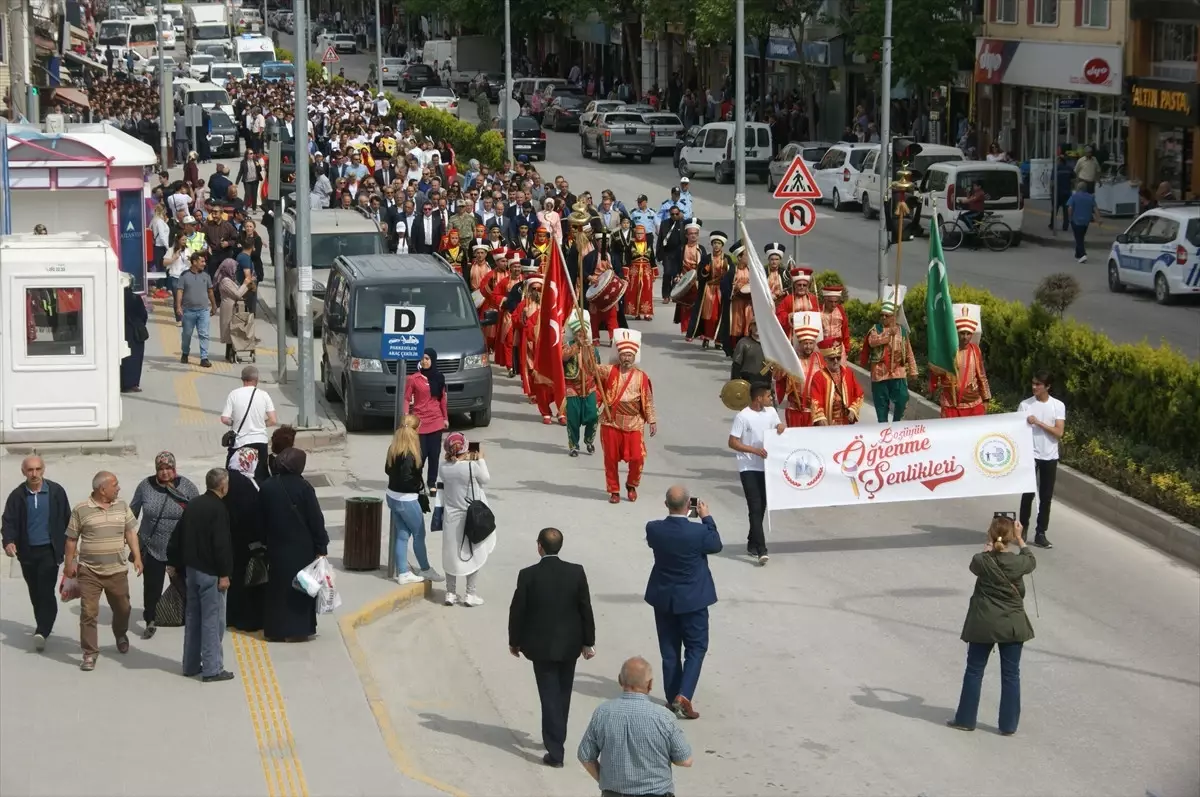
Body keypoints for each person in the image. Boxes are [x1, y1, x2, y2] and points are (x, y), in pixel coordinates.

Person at [507, 527, 597, 768]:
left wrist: (514, 641)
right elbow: (585, 608)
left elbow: (518, 611)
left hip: (540, 647)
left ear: (539, 546)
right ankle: (557, 737)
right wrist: (588, 642)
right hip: (570, 646)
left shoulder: (528, 575)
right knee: (562, 694)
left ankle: (555, 751)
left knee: (549, 695)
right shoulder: (576, 572)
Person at [948, 515, 1036, 735]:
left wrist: (988, 549)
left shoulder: (981, 560)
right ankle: (1008, 725)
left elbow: (974, 565)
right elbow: (1031, 560)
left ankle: (966, 719)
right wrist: (1021, 539)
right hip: (1012, 625)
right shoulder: (1019, 562)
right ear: (1011, 537)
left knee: (974, 671)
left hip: (983, 624)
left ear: (990, 534)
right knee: (1011, 674)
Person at [644, 485, 721, 720]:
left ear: (666, 504)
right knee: (696, 648)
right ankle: (684, 696)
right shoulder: (698, 533)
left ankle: (672, 697)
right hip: (693, 600)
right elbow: (716, 544)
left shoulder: (654, 529)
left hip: (664, 598)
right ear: (690, 506)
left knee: (669, 651)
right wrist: (707, 518)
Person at [577, 657, 694, 794]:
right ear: (650, 685)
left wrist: (604, 781)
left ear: (620, 680)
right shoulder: (664, 717)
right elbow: (686, 760)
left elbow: (585, 756)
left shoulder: (603, 713)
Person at [65, 471, 142, 671]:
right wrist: (68, 564)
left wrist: (138, 557)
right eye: (115, 485)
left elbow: (130, 532)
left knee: (123, 609)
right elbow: (71, 539)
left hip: (117, 570)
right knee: (88, 613)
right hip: (89, 571)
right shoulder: (81, 509)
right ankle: (89, 653)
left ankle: (120, 633)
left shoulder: (122, 506)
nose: (118, 488)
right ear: (102, 489)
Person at [167, 468, 235, 683]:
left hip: (192, 572)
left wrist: (175, 564)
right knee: (212, 622)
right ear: (223, 486)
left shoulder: (194, 504)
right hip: (210, 574)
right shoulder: (218, 508)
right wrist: (225, 574)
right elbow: (221, 545)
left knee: (193, 618)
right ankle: (212, 668)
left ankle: (190, 665)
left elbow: (177, 536)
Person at [1, 456, 71, 651]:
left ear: (43, 470)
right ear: (23, 472)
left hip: (50, 550)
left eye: (38, 469)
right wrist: (8, 542)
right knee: (35, 591)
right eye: (30, 470)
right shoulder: (17, 495)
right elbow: (8, 521)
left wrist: (71, 547)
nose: (34, 474)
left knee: (46, 589)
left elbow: (67, 519)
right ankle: (42, 624)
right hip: (27, 552)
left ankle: (42, 629)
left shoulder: (56, 492)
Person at [260, 449, 329, 641]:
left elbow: (260, 518)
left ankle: (276, 630)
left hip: (276, 546)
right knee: (301, 587)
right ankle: (298, 629)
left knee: (277, 588)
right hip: (301, 548)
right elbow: (316, 519)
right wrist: (321, 546)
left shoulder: (267, 486)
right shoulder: (304, 487)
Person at [129, 452, 199, 639]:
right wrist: (124, 536)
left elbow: (197, 515)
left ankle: (186, 615)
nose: (165, 472)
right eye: (161, 469)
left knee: (184, 583)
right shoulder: (145, 486)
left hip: (180, 546)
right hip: (153, 545)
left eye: (169, 468)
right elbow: (131, 513)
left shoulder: (187, 487)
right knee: (152, 586)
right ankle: (150, 618)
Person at [596, 329, 657, 504]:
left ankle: (631, 485)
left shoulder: (641, 377)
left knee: (638, 457)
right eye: (624, 355)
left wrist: (652, 420)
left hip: (634, 422)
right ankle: (614, 490)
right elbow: (591, 367)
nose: (627, 358)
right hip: (611, 421)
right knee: (610, 458)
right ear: (619, 355)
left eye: (630, 355)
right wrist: (585, 347)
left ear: (634, 356)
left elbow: (648, 400)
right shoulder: (609, 371)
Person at [728, 384, 786, 565]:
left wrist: (781, 427)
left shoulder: (770, 412)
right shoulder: (742, 416)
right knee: (754, 506)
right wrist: (753, 450)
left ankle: (752, 542)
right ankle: (762, 549)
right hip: (748, 467)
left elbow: (778, 425)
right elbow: (732, 442)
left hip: (766, 467)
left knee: (762, 507)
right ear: (758, 398)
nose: (771, 399)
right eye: (768, 396)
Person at [385, 415, 444, 586]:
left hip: (392, 496)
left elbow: (388, 470)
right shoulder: (410, 453)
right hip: (407, 499)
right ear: (415, 431)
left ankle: (403, 572)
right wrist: (418, 487)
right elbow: (407, 478)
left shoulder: (394, 448)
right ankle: (425, 569)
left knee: (402, 535)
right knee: (419, 534)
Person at [439, 433, 494, 606]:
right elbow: (485, 479)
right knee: (473, 552)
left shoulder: (443, 467)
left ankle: (450, 593)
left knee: (451, 555)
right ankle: (470, 594)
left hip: (451, 517)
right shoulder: (471, 467)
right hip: (471, 516)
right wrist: (481, 460)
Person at [1017, 372, 1066, 549]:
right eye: (1033, 384)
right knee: (1028, 495)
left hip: (1050, 456)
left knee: (1046, 497)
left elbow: (1059, 432)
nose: (1034, 387)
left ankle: (1041, 533)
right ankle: (1021, 529)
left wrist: (1038, 423)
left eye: (1038, 384)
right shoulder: (1025, 405)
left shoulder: (1057, 406)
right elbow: (1017, 431)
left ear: (1047, 387)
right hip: (1032, 456)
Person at [225, 446, 267, 632]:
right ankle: (247, 620)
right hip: (248, 544)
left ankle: (231, 617)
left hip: (228, 542)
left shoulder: (227, 481)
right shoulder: (248, 485)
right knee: (249, 581)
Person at [931, 304, 992, 417]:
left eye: (968, 334)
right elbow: (935, 371)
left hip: (973, 404)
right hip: (951, 404)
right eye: (962, 333)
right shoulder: (947, 350)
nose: (965, 337)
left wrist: (986, 398)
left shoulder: (975, 350)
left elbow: (982, 376)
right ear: (956, 333)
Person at [861, 301, 917, 422]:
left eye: (887, 315)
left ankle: (896, 424)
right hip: (880, 374)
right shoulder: (876, 329)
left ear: (894, 317)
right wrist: (887, 334)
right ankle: (883, 431)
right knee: (881, 408)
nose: (883, 318)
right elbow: (872, 342)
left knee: (903, 398)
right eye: (882, 315)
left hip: (897, 372)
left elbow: (909, 352)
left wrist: (913, 370)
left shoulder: (902, 331)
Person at [220, 365, 278, 481]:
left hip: (240, 442)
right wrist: (261, 424)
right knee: (260, 476)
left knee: (236, 477)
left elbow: (224, 419)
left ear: (242, 379)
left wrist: (234, 423)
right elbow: (273, 420)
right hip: (260, 441)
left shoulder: (234, 394)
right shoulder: (264, 395)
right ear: (256, 380)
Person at [403, 348, 450, 489]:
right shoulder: (413, 379)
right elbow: (406, 399)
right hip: (420, 422)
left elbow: (442, 400)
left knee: (434, 455)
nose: (424, 361)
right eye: (422, 359)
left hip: (436, 421)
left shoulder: (439, 377)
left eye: (427, 359)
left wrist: (445, 418)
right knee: (420, 455)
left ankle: (432, 483)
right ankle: (417, 481)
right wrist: (406, 416)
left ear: (433, 360)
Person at [776, 312, 824, 427]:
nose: (808, 346)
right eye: (805, 343)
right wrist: (781, 365)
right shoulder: (792, 358)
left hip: (814, 410)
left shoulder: (820, 359)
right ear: (800, 343)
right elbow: (777, 377)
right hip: (795, 407)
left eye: (811, 343)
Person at [563, 315, 601, 457]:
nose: (581, 334)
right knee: (572, 418)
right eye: (578, 332)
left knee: (593, 416)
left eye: (583, 331)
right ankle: (574, 445)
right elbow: (563, 357)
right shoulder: (568, 346)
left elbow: (598, 368)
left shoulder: (592, 349)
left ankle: (589, 440)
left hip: (589, 386)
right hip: (572, 387)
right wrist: (576, 346)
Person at [810, 337, 865, 426]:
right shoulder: (818, 377)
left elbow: (859, 394)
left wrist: (853, 409)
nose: (835, 361)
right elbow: (815, 400)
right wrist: (820, 417)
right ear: (825, 359)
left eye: (838, 358)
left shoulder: (848, 373)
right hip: (828, 423)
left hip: (845, 421)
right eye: (832, 359)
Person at [176, 251, 216, 367]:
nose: (204, 263)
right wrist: (178, 306)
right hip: (188, 311)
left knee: (204, 334)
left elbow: (210, 291)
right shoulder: (184, 276)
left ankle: (204, 358)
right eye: (202, 261)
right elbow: (180, 291)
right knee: (187, 334)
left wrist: (214, 305)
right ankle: (185, 353)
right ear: (194, 262)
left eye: (204, 261)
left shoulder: (206, 276)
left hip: (203, 311)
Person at [216, 257, 255, 363]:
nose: (235, 270)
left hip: (234, 307)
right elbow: (237, 294)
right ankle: (230, 354)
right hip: (229, 308)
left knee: (234, 329)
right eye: (233, 268)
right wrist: (245, 284)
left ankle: (230, 353)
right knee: (229, 329)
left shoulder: (230, 279)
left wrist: (248, 286)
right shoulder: (225, 281)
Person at [120, 285, 148, 393]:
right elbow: (143, 315)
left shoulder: (114, 297)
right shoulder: (135, 298)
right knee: (135, 357)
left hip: (120, 330)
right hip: (134, 332)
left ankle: (121, 382)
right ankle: (132, 383)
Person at [1065, 180, 1097, 264]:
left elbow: (1070, 208)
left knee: (1078, 238)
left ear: (1078, 188)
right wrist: (1099, 219)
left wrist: (1070, 217)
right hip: (1086, 221)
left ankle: (1083, 254)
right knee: (1081, 236)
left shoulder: (1074, 196)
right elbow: (1095, 209)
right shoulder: (1090, 197)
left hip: (1076, 220)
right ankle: (1078, 254)